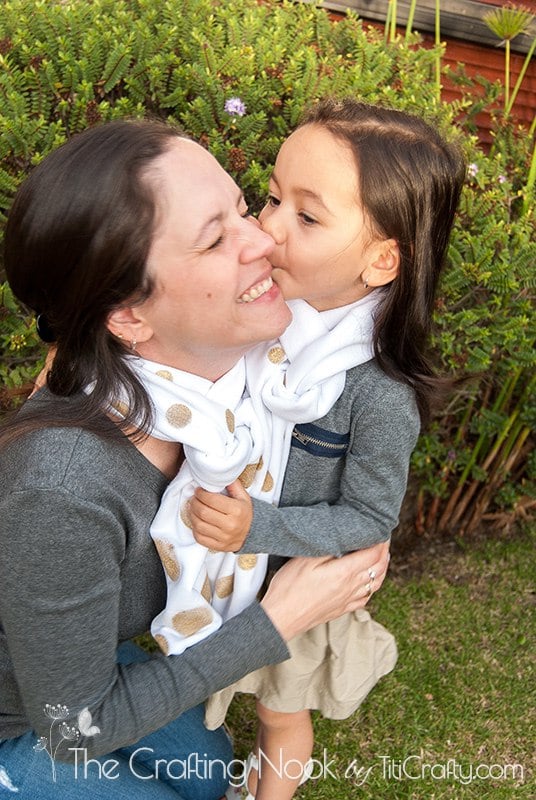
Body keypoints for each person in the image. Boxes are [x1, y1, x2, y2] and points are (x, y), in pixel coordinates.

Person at [0, 118, 391, 800]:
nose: (265, 239)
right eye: (216, 239)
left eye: (244, 207)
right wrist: (279, 622)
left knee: (207, 769)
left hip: (74, 665)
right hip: (26, 719)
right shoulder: (64, 487)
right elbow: (73, 731)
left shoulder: (241, 377)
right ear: (127, 317)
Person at [190, 99, 466, 799]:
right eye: (274, 197)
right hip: (219, 571)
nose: (268, 225)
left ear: (380, 261)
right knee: (208, 698)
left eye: (306, 217)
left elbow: (369, 522)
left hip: (299, 587)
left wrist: (261, 527)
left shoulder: (376, 394)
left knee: (280, 717)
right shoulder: (263, 316)